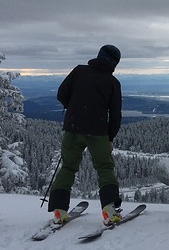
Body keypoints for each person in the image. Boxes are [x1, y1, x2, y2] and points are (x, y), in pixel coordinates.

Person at [47, 45, 123, 226]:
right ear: (114, 63)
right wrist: (110, 137)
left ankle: (59, 210)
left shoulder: (79, 71)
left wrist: (73, 109)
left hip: (72, 128)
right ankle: (110, 210)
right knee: (104, 168)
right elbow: (115, 115)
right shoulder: (112, 83)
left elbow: (61, 94)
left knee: (68, 167)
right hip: (97, 132)